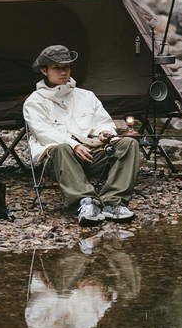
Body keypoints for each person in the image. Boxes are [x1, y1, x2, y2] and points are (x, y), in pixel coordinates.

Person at [23, 45, 140, 227]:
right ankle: (86, 203)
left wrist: (104, 133)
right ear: (44, 70)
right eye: (57, 68)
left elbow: (103, 121)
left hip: (92, 154)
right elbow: (44, 133)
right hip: (60, 160)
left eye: (67, 67)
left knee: (129, 144)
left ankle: (112, 202)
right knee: (61, 147)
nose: (63, 72)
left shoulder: (86, 96)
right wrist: (73, 145)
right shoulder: (34, 102)